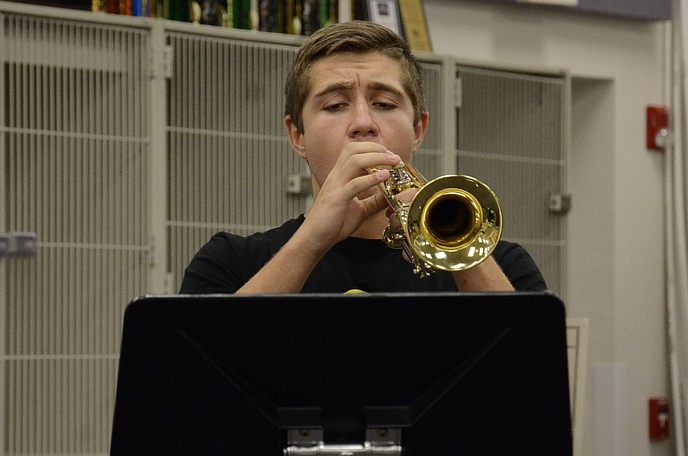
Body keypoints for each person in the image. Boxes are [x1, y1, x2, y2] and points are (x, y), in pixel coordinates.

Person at [179, 20, 546, 294]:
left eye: (384, 104)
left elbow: (534, 381)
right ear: (297, 136)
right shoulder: (229, 262)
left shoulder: (506, 266)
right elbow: (195, 378)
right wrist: (312, 242)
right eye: (336, 105)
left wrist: (459, 250)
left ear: (418, 129)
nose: (363, 123)